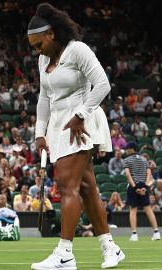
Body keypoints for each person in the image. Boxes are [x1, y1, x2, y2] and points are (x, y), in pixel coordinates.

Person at [28, 4, 123, 269]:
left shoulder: (78, 50)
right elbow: (44, 97)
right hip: (59, 125)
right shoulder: (43, 60)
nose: (37, 50)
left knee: (67, 185)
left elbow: (102, 83)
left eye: (38, 44)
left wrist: (81, 114)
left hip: (82, 122)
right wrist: (40, 132)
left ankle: (65, 253)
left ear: (51, 34)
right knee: (86, 187)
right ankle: (110, 247)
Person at [123, 141, 160, 241]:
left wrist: (135, 187)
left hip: (133, 186)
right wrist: (145, 187)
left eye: (127, 148)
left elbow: (128, 174)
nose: (126, 150)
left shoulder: (126, 160)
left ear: (131, 149)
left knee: (133, 210)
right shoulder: (144, 160)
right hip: (143, 185)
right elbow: (149, 174)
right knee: (148, 209)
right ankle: (156, 233)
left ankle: (134, 234)